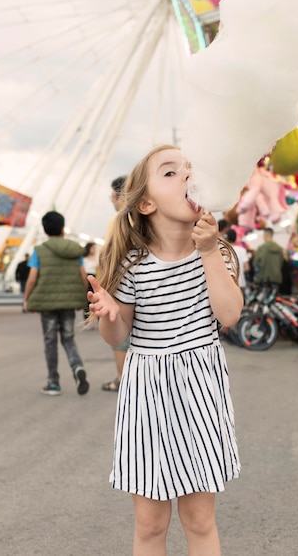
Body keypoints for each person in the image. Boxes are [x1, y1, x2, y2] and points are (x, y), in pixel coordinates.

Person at [87, 145, 243, 555]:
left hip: (200, 391)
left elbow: (228, 315)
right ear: (145, 203)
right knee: (150, 525)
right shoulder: (131, 263)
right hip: (145, 394)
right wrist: (109, 313)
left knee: (199, 521)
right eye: (171, 172)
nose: (188, 176)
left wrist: (209, 250)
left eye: (190, 169)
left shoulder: (218, 253)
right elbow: (118, 336)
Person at [23, 211, 90, 397]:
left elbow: (31, 279)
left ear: (45, 230)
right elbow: (84, 276)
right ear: (62, 228)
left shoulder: (40, 250)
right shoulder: (74, 249)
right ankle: (77, 368)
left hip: (47, 305)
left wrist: (26, 299)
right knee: (68, 338)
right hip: (69, 303)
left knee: (50, 341)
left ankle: (53, 382)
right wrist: (86, 296)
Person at [101, 174, 130, 392]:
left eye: (113, 196)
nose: (112, 201)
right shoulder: (145, 216)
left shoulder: (119, 220)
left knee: (120, 338)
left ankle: (122, 379)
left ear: (121, 196)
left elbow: (109, 254)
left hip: (123, 285)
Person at [225, 229, 250, 294]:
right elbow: (247, 268)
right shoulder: (242, 250)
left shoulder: (224, 250)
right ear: (236, 238)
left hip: (228, 284)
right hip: (240, 283)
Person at [82, 241, 98, 322]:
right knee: (87, 300)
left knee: (96, 299)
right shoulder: (84, 259)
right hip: (87, 279)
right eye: (93, 248)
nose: (94, 250)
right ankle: (86, 319)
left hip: (96, 279)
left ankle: (97, 318)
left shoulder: (97, 259)